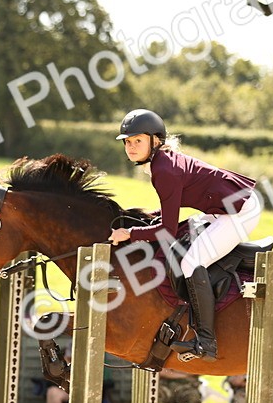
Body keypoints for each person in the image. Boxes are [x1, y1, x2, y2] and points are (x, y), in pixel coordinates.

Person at [107, 108, 262, 361]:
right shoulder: (162, 163)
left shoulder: (164, 170)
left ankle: (206, 342)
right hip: (223, 208)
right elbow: (171, 209)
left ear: (155, 141)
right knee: (187, 235)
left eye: (137, 140)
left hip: (239, 212)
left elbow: (166, 231)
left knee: (191, 262)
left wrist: (130, 234)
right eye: (127, 142)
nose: (131, 147)